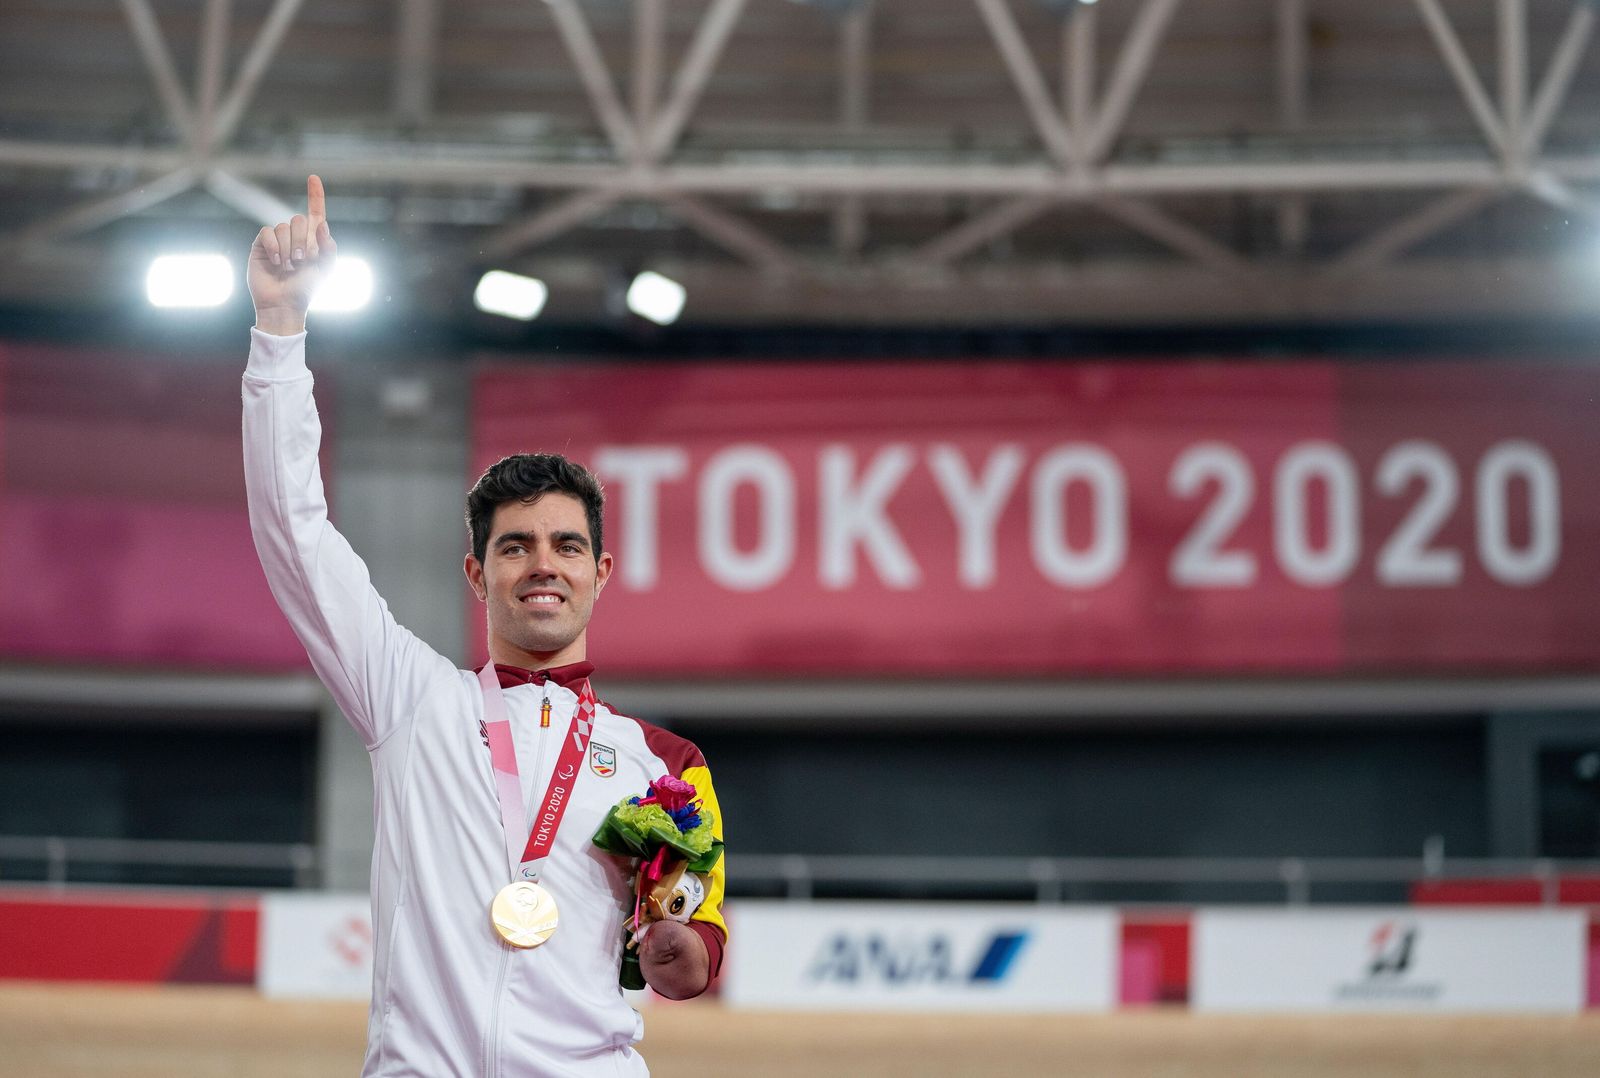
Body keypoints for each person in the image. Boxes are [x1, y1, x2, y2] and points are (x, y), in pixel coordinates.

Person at [243, 176, 727, 1077]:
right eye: (515, 547)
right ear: (478, 573)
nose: (542, 562)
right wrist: (280, 332)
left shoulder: (667, 767)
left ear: (600, 572)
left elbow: (693, 948)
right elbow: (294, 534)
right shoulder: (408, 699)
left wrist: (679, 955)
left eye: (566, 545)